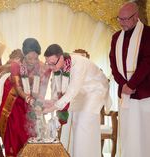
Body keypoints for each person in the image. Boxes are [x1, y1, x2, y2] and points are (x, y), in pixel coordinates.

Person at [43, 44, 111, 157]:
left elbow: (71, 91)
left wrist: (51, 108)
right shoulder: (56, 67)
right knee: (71, 126)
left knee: (83, 127)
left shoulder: (79, 64)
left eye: (52, 63)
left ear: (61, 57)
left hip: (94, 91)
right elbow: (56, 91)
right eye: (48, 63)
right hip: (80, 93)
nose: (51, 67)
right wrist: (50, 103)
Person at [109, 2, 150, 157]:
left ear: (136, 16)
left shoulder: (147, 34)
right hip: (125, 94)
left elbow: (148, 61)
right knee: (128, 133)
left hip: (144, 94)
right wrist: (123, 84)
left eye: (125, 19)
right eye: (120, 19)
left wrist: (132, 84)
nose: (122, 22)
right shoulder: (115, 37)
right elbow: (112, 62)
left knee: (144, 133)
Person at [0, 38, 51, 156]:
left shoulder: (43, 68)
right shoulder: (16, 65)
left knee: (31, 133)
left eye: (35, 58)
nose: (32, 61)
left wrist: (39, 104)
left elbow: (42, 90)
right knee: (15, 132)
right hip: (13, 101)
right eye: (29, 58)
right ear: (24, 56)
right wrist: (30, 100)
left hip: (30, 102)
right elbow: (18, 88)